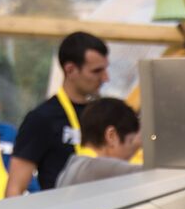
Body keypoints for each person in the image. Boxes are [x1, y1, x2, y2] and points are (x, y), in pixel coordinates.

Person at [6, 31, 109, 197]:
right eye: (96, 71)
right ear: (70, 70)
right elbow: (15, 188)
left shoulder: (105, 115)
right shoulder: (42, 118)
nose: (105, 78)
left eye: (105, 69)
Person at [56, 98, 141, 187]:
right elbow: (149, 174)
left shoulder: (71, 167)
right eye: (131, 142)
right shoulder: (95, 168)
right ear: (111, 136)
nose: (131, 157)